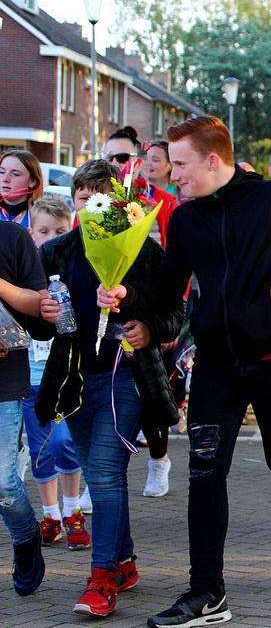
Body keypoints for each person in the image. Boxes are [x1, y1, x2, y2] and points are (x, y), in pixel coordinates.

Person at [96, 116, 271, 626]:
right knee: (205, 472)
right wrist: (126, 297)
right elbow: (168, 293)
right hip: (216, 365)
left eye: (180, 164)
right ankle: (207, 592)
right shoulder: (186, 219)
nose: (173, 174)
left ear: (213, 160)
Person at [36, 159, 183, 617]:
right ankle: (123, 561)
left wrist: (145, 324)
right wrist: (42, 313)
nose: (92, 208)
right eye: (84, 199)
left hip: (125, 376)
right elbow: (38, 323)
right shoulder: (56, 251)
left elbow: (175, 315)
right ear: (74, 201)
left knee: (102, 473)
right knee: (98, 471)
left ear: (120, 205)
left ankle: (101, 580)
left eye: (102, 200)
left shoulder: (143, 251)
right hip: (75, 378)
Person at [23, 199, 90, 550]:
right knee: (40, 448)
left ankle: (73, 509)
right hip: (30, 377)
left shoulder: (70, 271)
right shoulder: (22, 273)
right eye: (43, 231)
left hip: (63, 375)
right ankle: (50, 514)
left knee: (65, 442)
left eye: (60, 231)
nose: (51, 238)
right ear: (31, 233)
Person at [0, 221, 48, 597]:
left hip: (4, 379)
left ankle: (25, 534)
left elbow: (39, 307)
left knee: (2, 482)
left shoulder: (12, 237)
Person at [0, 150, 45, 228]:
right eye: (2, 172)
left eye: (15, 174)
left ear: (33, 181)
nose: (5, 179)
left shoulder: (43, 216)